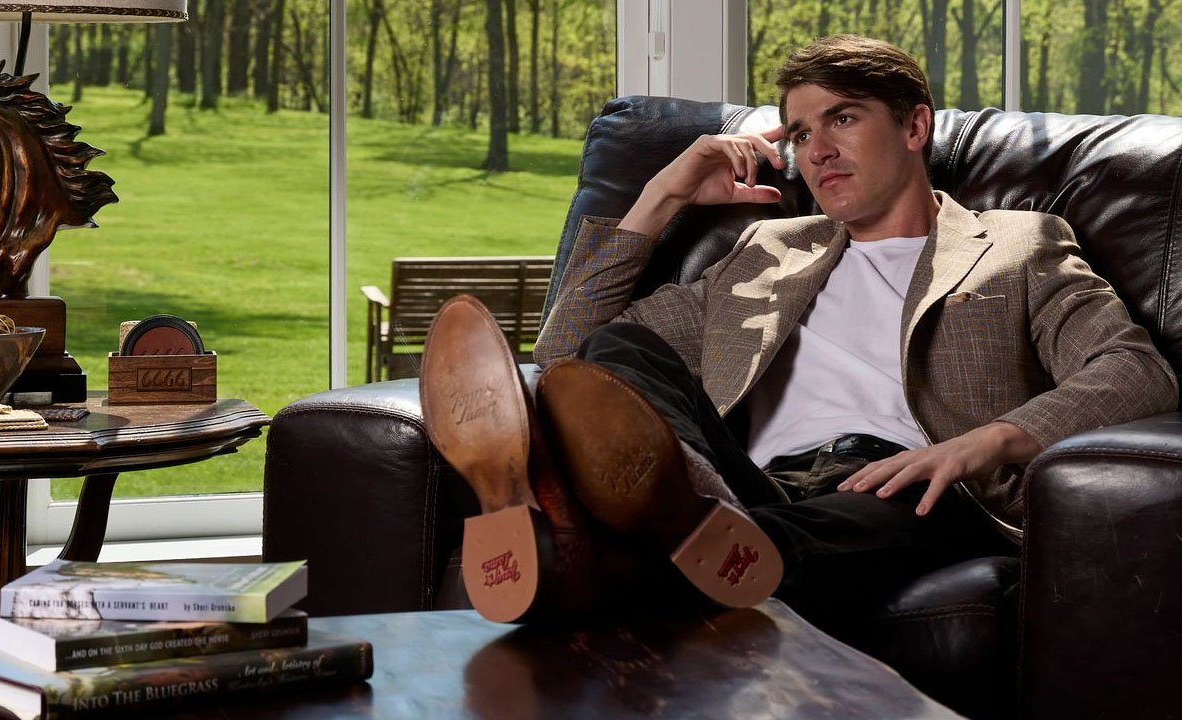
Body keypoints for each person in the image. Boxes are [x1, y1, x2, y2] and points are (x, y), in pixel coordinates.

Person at [418, 35, 1178, 628]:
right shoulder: (767, 251)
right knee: (619, 354)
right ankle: (688, 520)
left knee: (815, 523)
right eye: (801, 132)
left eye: (843, 118)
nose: (817, 150)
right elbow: (563, 359)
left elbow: (1134, 371)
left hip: (908, 488)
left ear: (915, 126)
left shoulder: (1021, 243)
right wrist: (662, 195)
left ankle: (579, 533)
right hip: (746, 480)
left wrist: (986, 441)